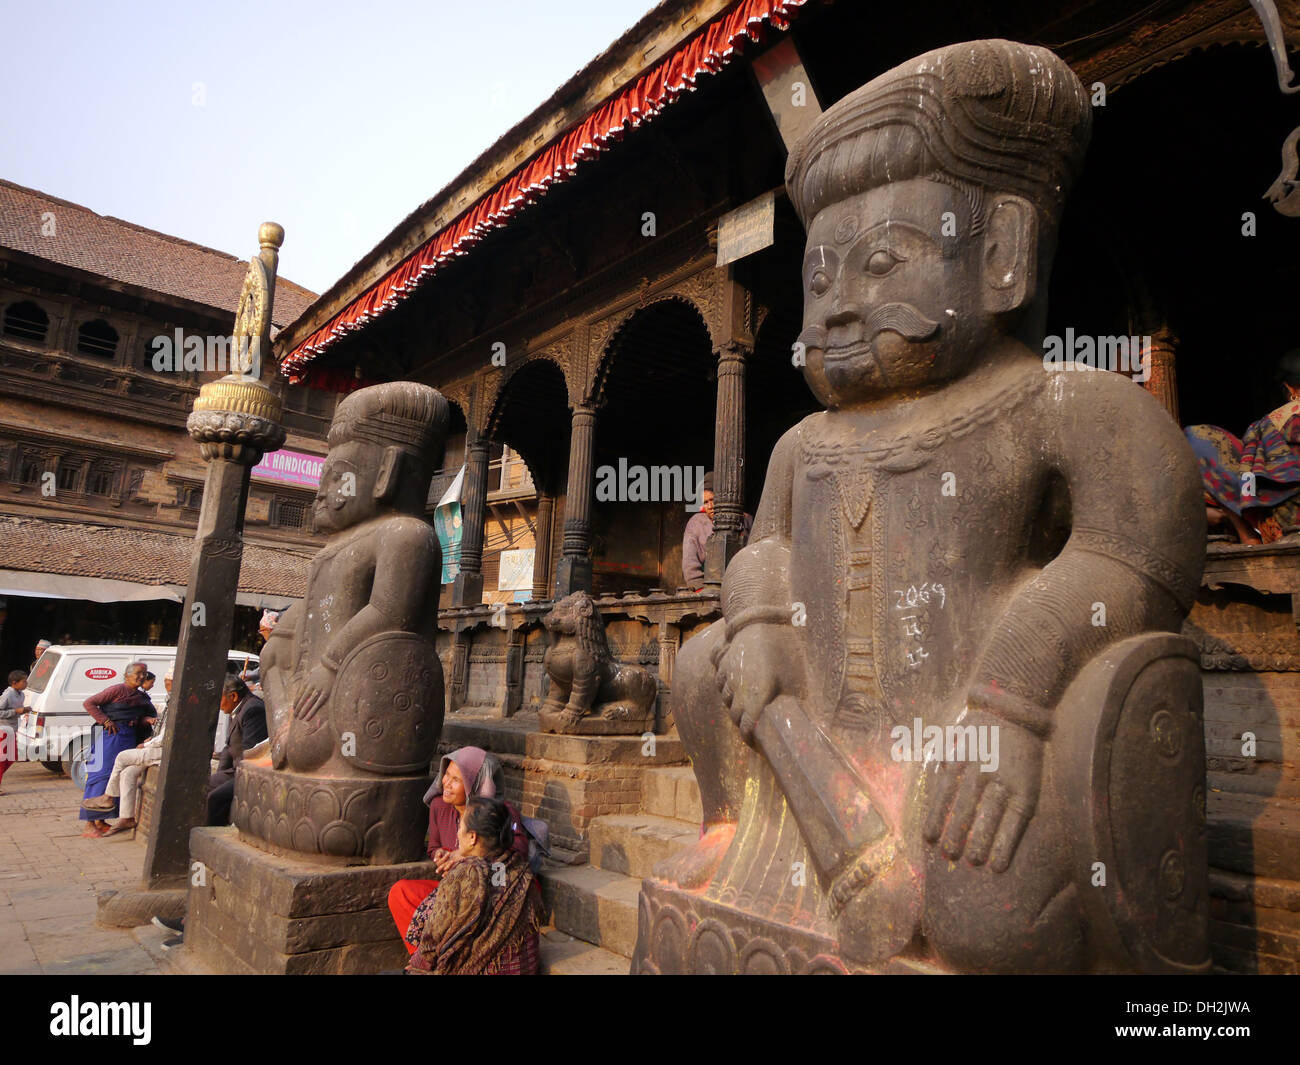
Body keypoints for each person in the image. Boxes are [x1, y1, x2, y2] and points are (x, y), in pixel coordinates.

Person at [387, 746, 529, 953]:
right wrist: (442, 856)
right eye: (446, 775)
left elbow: (519, 850)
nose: (446, 783)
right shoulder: (439, 806)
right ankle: (425, 958)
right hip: (455, 890)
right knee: (400, 893)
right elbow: (434, 846)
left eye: (456, 780)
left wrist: (464, 856)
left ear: (474, 784)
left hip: (490, 893)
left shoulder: (501, 812)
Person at [405, 796, 544, 975]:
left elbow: (433, 939)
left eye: (461, 827)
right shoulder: (518, 868)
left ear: (472, 837)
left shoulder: (466, 874)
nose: (457, 833)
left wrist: (418, 965)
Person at [1185, 354, 1300, 544]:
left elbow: (1250, 472)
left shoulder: (1269, 423)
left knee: (1199, 436)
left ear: (1288, 387)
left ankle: (1247, 536)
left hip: (1283, 527)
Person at [81, 667, 172, 835]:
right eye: (137, 673)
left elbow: (136, 718)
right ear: (127, 675)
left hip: (127, 738)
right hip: (109, 737)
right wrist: (105, 720)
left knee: (113, 779)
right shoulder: (116, 690)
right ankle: (89, 824)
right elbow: (89, 703)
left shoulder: (141, 697)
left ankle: (101, 821)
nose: (141, 676)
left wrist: (147, 720)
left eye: (143, 674)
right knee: (99, 776)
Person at [203, 675, 267, 826]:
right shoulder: (237, 709)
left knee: (215, 798)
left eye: (219, 699)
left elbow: (251, 751)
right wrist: (220, 774)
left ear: (233, 696)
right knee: (200, 787)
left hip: (248, 773)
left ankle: (211, 835)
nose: (218, 705)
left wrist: (227, 778)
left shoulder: (253, 710)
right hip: (234, 770)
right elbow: (229, 746)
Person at [0, 670, 26, 794]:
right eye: (24, 681)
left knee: (12, 757)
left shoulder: (21, 694)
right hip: (3, 730)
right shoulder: (7, 695)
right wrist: (16, 712)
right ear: (14, 683)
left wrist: (24, 711)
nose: (26, 683)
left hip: (12, 730)